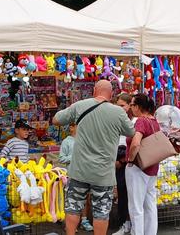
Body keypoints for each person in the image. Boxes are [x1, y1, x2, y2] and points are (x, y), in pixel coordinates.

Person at [52, 80, 135, 235]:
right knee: (101, 211)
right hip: (103, 173)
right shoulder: (118, 112)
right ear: (111, 94)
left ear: (94, 90)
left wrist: (73, 114)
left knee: (73, 207)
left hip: (79, 170)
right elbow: (131, 132)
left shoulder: (80, 105)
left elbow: (56, 119)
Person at [125, 93, 159, 235]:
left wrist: (130, 159)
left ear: (138, 107)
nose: (131, 108)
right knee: (150, 204)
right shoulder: (154, 121)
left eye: (132, 105)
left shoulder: (141, 121)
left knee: (136, 206)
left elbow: (136, 143)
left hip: (138, 167)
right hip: (152, 166)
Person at [59, 123, 93, 232]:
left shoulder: (86, 140)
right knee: (72, 200)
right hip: (72, 174)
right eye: (79, 125)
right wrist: (73, 156)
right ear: (72, 127)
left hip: (85, 173)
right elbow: (62, 158)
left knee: (86, 199)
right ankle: (71, 224)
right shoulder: (66, 142)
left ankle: (84, 220)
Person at [113, 93, 134, 235]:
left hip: (128, 158)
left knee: (130, 194)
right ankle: (124, 222)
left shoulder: (135, 121)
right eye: (117, 106)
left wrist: (123, 160)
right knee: (122, 192)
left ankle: (129, 223)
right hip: (118, 156)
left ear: (130, 106)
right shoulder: (115, 120)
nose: (120, 108)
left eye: (122, 106)